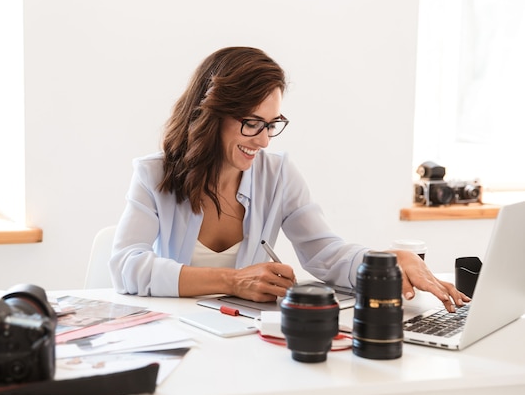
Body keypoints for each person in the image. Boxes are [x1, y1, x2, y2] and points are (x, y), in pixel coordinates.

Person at [109, 46, 469, 312]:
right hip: (179, 330)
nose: (264, 141)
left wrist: (385, 260)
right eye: (252, 123)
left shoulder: (278, 173)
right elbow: (126, 266)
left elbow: (325, 253)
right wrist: (233, 281)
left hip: (243, 334)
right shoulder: (153, 174)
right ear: (210, 114)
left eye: (273, 125)